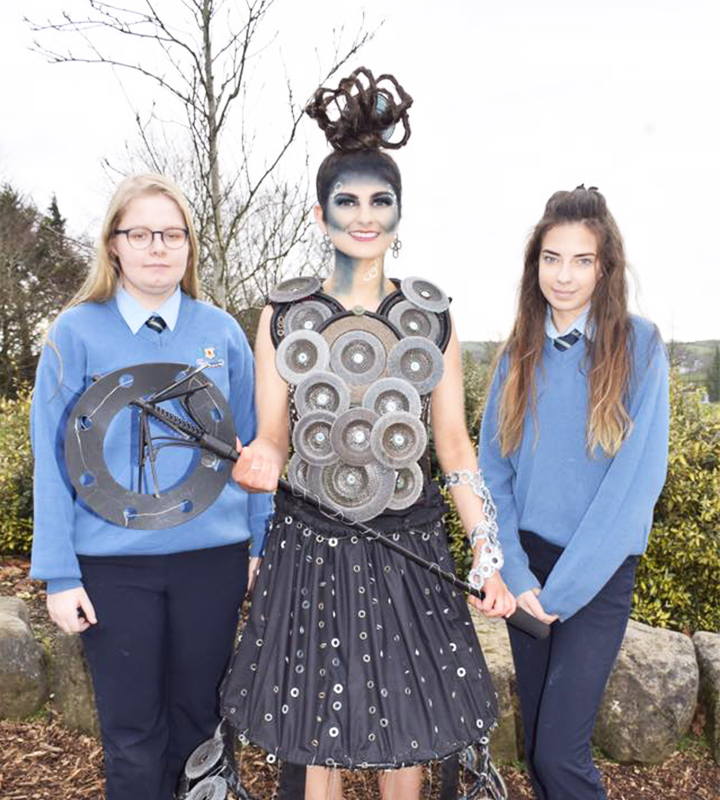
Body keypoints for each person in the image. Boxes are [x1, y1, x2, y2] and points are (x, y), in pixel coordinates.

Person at [222, 67, 516, 800]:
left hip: (409, 542)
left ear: (398, 215)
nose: (364, 215)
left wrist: (486, 552)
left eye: (379, 201)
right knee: (314, 719)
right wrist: (260, 459)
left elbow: (453, 448)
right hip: (309, 540)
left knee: (404, 718)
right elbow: (273, 439)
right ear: (320, 217)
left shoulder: (433, 318)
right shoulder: (283, 316)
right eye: (346, 201)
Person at [30, 173, 272, 800]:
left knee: (201, 731)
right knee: (133, 735)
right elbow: (51, 462)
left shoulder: (221, 333)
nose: (157, 247)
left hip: (210, 563)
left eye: (172, 234)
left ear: (189, 246)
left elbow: (255, 451)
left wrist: (258, 544)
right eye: (140, 234)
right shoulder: (74, 333)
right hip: (113, 569)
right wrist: (60, 575)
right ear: (113, 245)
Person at [479, 185, 670, 800]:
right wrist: (513, 570)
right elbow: (493, 472)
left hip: (597, 575)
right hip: (527, 568)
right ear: (534, 264)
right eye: (551, 258)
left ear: (604, 267)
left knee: (561, 755)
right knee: (537, 748)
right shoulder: (517, 355)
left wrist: (558, 594)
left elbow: (633, 489)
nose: (563, 276)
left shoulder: (640, 347)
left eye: (581, 260)